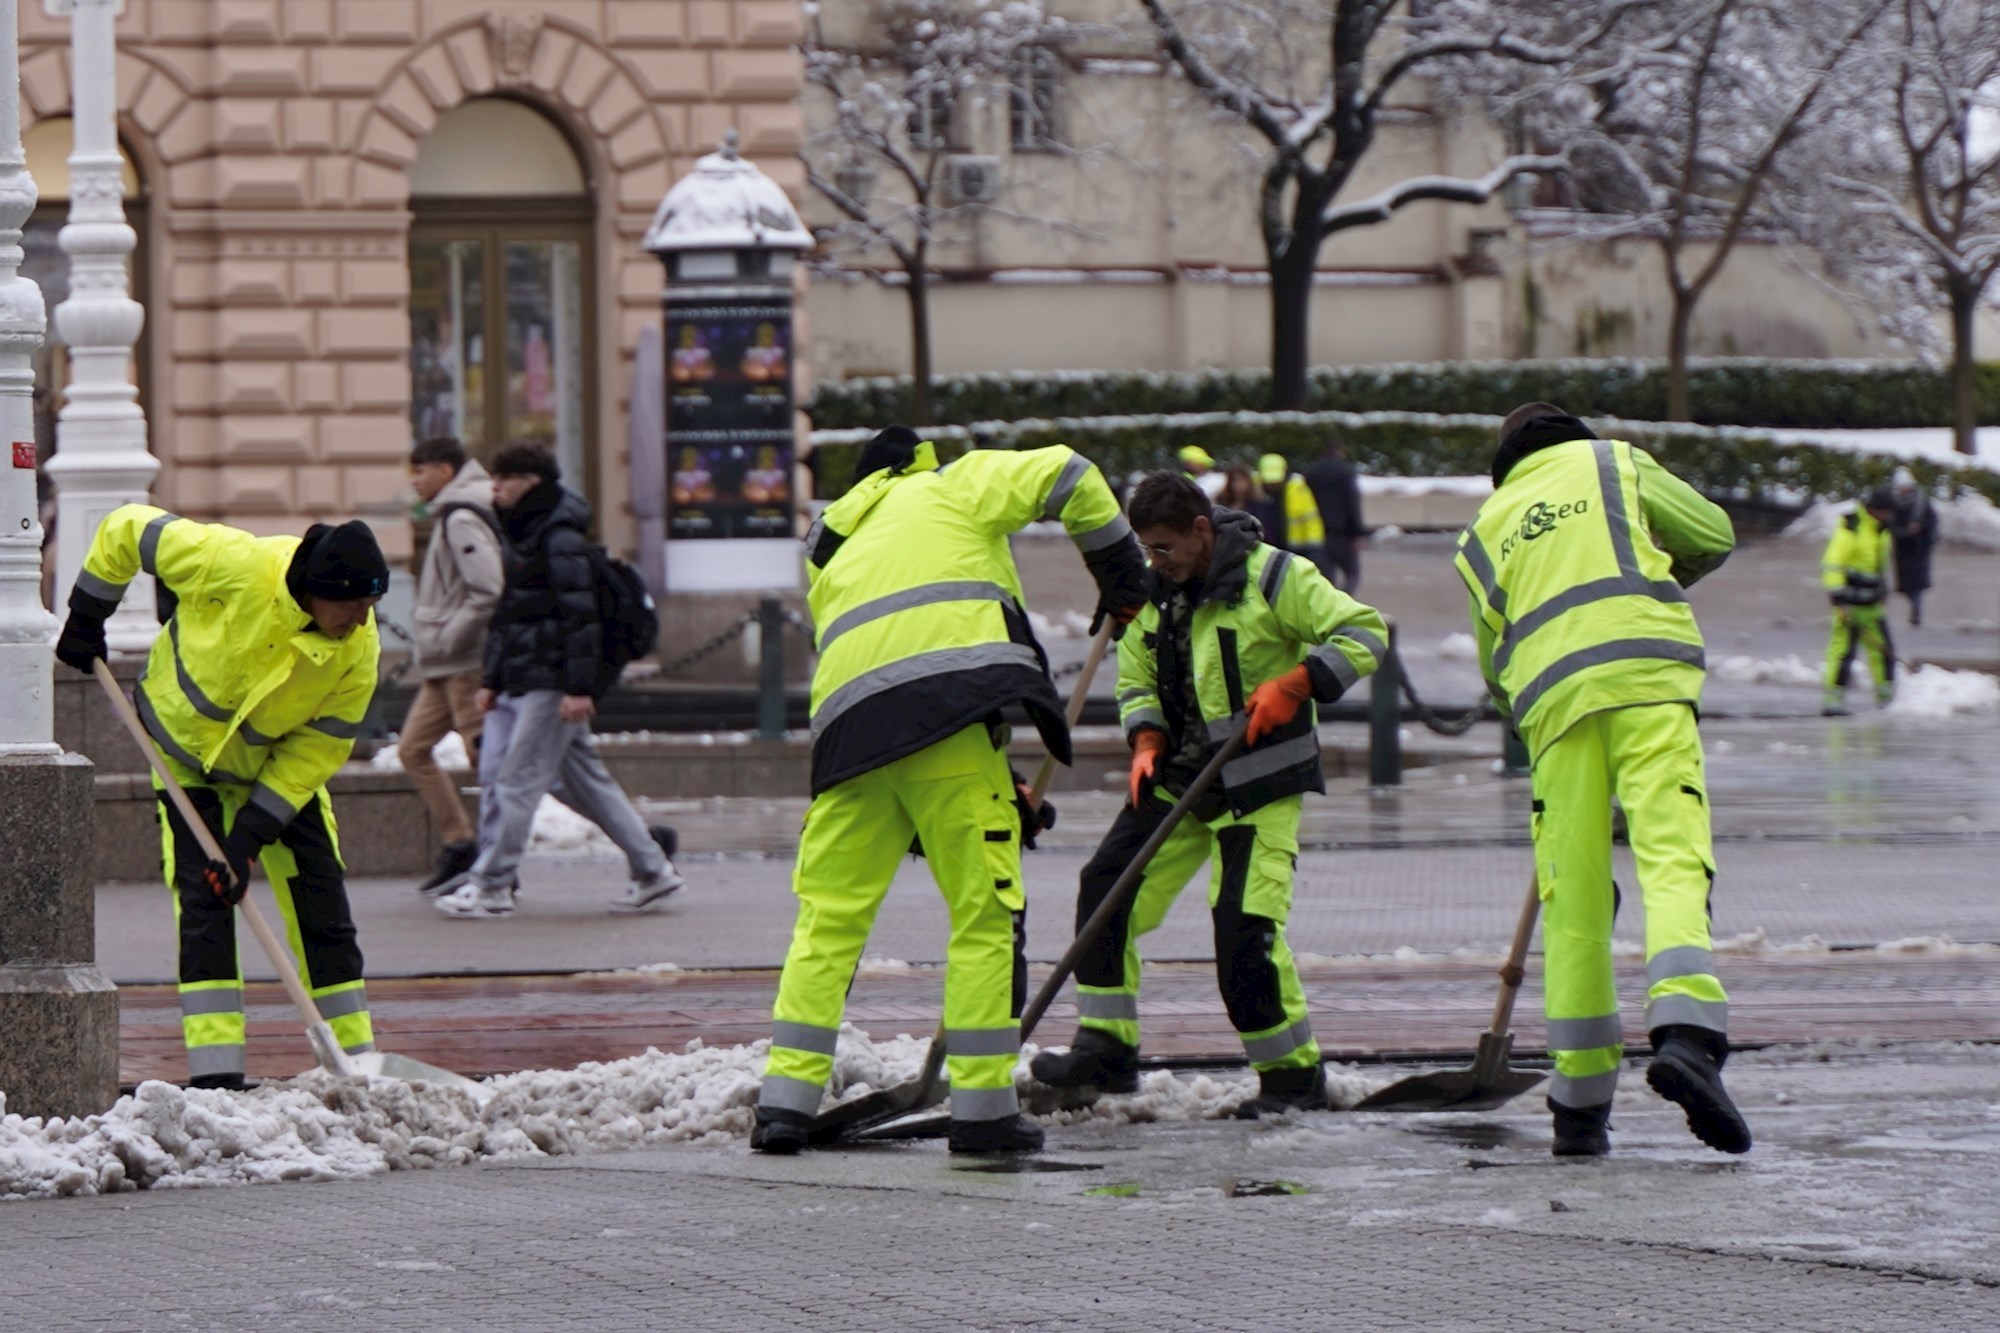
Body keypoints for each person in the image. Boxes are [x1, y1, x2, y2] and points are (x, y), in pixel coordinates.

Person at [752, 426, 1148, 1157]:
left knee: (828, 922)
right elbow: (1068, 472)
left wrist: (995, 787)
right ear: (916, 462)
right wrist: (1122, 571)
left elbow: (893, 669)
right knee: (983, 913)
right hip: (952, 728)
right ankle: (984, 1111)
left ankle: (783, 1105)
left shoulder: (831, 544)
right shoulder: (950, 485)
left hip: (848, 741)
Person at [1030, 471, 1388, 1118]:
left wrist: (1300, 681)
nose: (1153, 561)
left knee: (1244, 931)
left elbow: (1364, 633)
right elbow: (1137, 671)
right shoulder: (1160, 592)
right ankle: (1106, 1049)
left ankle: (1291, 1075)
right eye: (1146, 549)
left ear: (1201, 530)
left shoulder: (1275, 577)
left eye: (1164, 547)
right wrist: (1143, 736)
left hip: (1257, 783)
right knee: (1106, 889)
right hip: (1179, 776)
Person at [1455, 402, 1746, 1158]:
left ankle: (1578, 1108)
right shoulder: (1612, 461)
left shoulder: (1484, 530)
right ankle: (1687, 1035)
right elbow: (1712, 533)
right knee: (1671, 851)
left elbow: (1494, 662)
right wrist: (1657, 567)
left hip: (1552, 707)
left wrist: (1537, 708)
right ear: (1572, 441)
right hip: (1646, 675)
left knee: (1574, 899)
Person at [56, 508, 390, 1089]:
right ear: (315, 592)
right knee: (206, 908)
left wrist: (249, 837)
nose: (363, 620)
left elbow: (318, 749)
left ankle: (356, 1064)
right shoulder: (234, 563)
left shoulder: (357, 648)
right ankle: (216, 1077)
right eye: (353, 605)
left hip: (275, 769)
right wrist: (88, 612)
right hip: (185, 755)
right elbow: (127, 529)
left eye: (370, 606)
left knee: (322, 905)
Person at [433, 443, 687, 919]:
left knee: (515, 781)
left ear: (530, 481)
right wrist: (492, 679)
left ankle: (491, 886)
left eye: (505, 478)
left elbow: (580, 619)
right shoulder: (525, 531)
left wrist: (579, 689)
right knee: (587, 784)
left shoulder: (558, 536)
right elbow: (511, 615)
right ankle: (653, 871)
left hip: (551, 682)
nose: (495, 487)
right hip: (531, 678)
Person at [402, 437, 505, 895]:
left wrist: (448, 637)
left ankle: (497, 860)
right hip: (444, 665)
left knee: (487, 761)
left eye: (420, 470)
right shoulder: (453, 511)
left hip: (464, 663)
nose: (414, 480)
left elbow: (487, 589)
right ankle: (460, 843)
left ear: (445, 471)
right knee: (413, 750)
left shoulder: (462, 514)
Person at [1821, 485, 1897, 717]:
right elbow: (1833, 562)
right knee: (1844, 652)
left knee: (1884, 652)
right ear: (1875, 509)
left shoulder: (1882, 530)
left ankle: (1886, 697)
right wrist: (1839, 598)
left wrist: (1882, 590)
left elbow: (1879, 565)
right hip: (1850, 605)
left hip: (1872, 604)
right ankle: (1833, 700)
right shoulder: (1851, 527)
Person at [1302, 431, 1365, 590]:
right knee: (1352, 573)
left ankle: (1332, 604)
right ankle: (1345, 600)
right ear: (1341, 449)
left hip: (1319, 531)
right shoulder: (1346, 471)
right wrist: (1357, 532)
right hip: (1342, 532)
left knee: (1327, 576)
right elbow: (1352, 502)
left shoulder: (1312, 472)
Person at [1888, 466, 1939, 627]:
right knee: (1906, 585)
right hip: (1902, 548)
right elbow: (1888, 523)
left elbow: (1932, 521)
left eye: (1906, 486)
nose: (1904, 489)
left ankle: (1916, 613)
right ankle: (1914, 607)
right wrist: (1900, 532)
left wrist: (1920, 528)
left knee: (1917, 585)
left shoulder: (1922, 500)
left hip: (1919, 548)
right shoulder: (1892, 502)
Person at [1257, 451, 1326, 564]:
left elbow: (1311, 519)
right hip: (1267, 548)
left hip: (1296, 549)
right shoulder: (1255, 491)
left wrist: (1314, 549)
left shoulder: (1297, 489)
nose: (1273, 484)